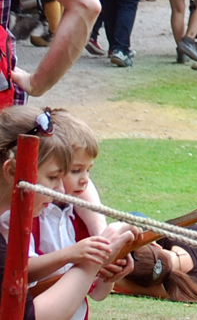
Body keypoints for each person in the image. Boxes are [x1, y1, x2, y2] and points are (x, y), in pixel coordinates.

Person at [0, 106, 135, 320]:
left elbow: (97, 293)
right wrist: (85, 256)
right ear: (10, 171)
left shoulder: (72, 213)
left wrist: (105, 266)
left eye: (88, 170)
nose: (62, 190)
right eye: (56, 176)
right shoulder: (19, 218)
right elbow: (23, 288)